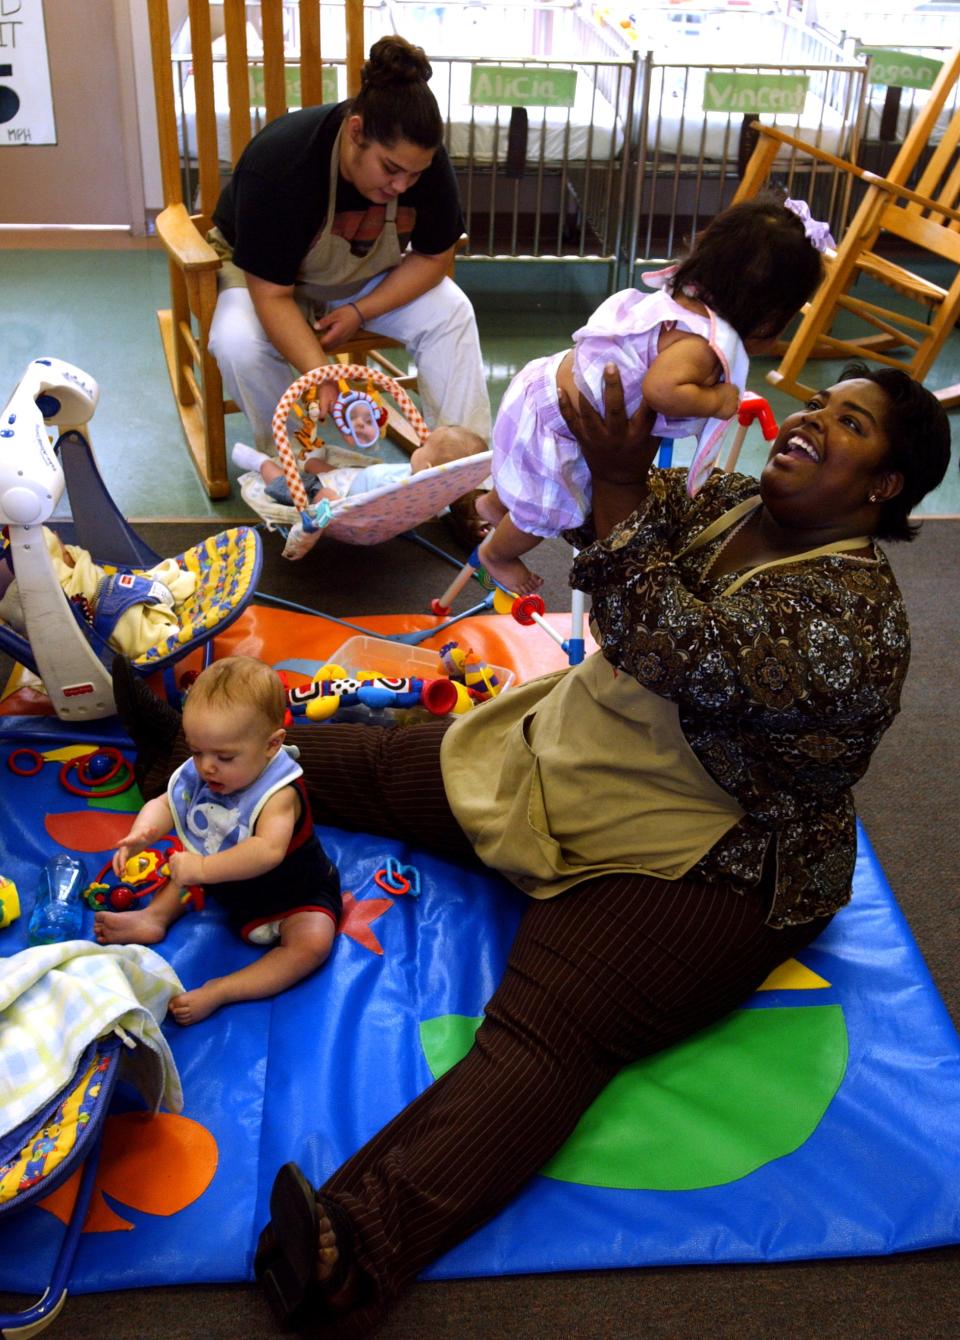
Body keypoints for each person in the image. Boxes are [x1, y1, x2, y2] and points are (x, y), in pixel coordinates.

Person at [115, 361, 950, 1334]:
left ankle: (351, 1246)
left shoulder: (857, 620)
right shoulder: (730, 497)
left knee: (550, 1028)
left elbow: (676, 640)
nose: (808, 420)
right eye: (816, 402)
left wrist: (622, 490)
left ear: (884, 487)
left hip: (717, 861)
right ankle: (180, 753)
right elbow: (614, 544)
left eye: (848, 423)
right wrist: (587, 453)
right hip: (592, 757)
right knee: (385, 765)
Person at [475, 194, 830, 594]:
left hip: (542, 386)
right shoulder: (701, 346)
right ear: (768, 316)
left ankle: (493, 504)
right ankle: (496, 557)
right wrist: (717, 400)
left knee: (528, 478)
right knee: (544, 509)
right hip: (557, 424)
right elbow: (661, 390)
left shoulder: (677, 299)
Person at [207, 35, 490, 482]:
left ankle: (463, 476)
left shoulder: (421, 162)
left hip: (360, 277)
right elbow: (273, 294)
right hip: (264, 280)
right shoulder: (282, 163)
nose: (403, 185)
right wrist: (320, 373)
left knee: (451, 313)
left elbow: (435, 256)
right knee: (237, 343)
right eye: (391, 170)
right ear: (356, 132)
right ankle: (304, 469)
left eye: (414, 174)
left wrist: (361, 311)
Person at [96, 656, 340, 1026]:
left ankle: (222, 989)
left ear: (272, 746)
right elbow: (166, 802)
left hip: (294, 898)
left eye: (224, 756)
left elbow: (266, 851)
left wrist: (205, 869)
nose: (207, 767)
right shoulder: (205, 773)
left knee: (313, 944)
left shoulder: (278, 795)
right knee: (185, 862)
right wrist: (143, 832)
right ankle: (154, 916)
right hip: (223, 884)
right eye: (197, 752)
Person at [232, 424, 487, 510]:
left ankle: (261, 462)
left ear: (429, 467)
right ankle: (310, 462)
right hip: (353, 478)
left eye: (423, 448)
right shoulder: (434, 489)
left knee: (296, 485)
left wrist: (326, 502)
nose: (417, 448)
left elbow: (341, 504)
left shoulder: (400, 490)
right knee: (329, 471)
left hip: (341, 496)